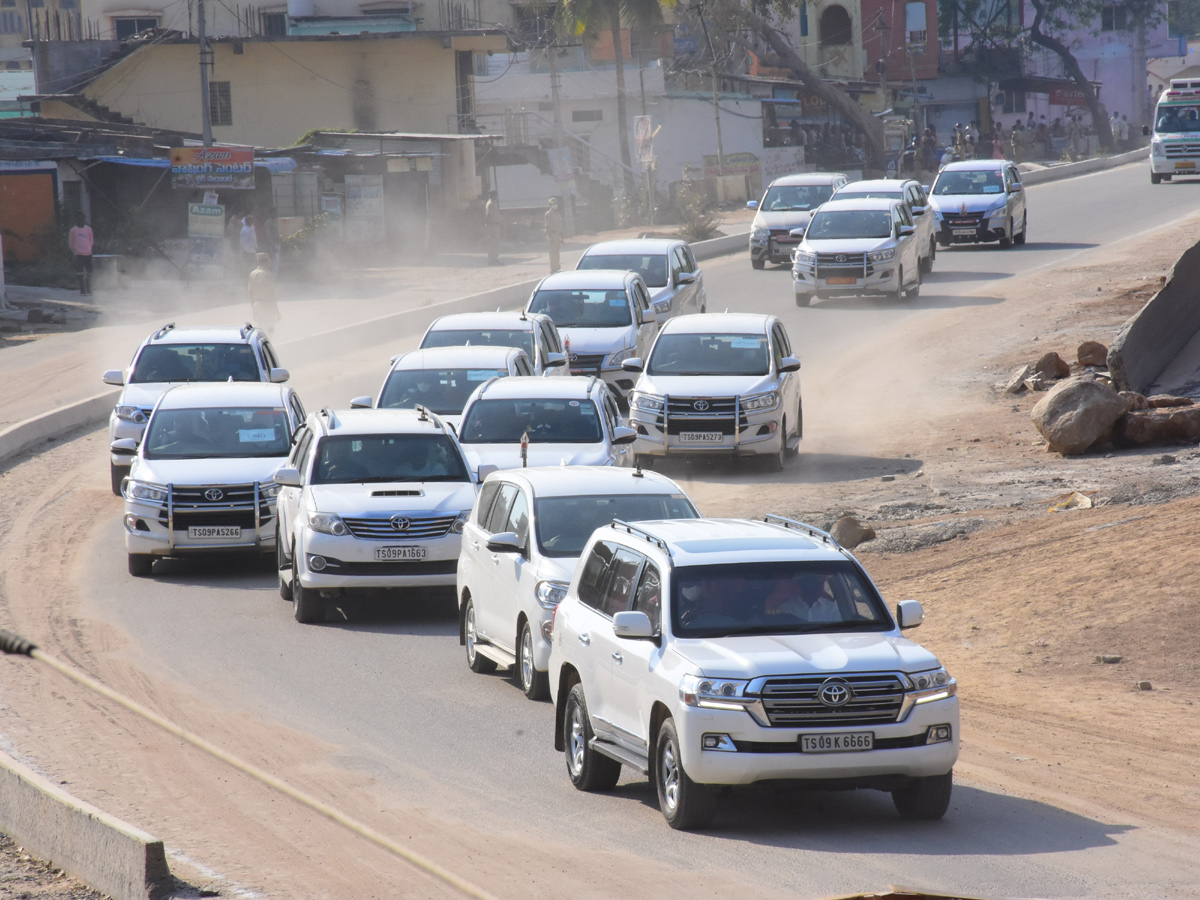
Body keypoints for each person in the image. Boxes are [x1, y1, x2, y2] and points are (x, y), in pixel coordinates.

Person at [247, 252, 279, 335]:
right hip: (267, 305)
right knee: (269, 329)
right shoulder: (266, 274)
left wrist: (253, 308)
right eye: (268, 261)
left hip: (257, 305)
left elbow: (250, 293)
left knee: (260, 330)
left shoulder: (253, 274)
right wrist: (277, 311)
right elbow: (271, 294)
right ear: (266, 262)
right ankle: (268, 347)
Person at [67, 213, 94, 295]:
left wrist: (89, 249)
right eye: (79, 219)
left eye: (82, 219)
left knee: (89, 272)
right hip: (78, 254)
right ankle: (82, 290)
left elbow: (91, 240)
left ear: (84, 219)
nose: (80, 220)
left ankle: (88, 288)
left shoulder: (88, 229)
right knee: (80, 272)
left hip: (88, 253)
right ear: (76, 220)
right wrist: (74, 252)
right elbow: (70, 242)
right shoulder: (73, 230)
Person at [544, 197, 564, 274]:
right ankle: (553, 269)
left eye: (555, 204)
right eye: (553, 204)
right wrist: (550, 236)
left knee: (557, 252)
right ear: (550, 205)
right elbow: (547, 226)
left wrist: (562, 237)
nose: (555, 205)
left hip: (558, 235)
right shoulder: (548, 214)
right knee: (552, 253)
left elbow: (560, 225)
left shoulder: (557, 214)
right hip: (552, 234)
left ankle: (557, 267)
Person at [484, 191, 501, 265]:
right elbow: (489, 215)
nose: (497, 197)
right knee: (493, 243)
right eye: (496, 196)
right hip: (492, 225)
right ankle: (492, 260)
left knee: (496, 243)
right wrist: (487, 224)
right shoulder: (490, 204)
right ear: (493, 196)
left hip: (495, 225)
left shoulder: (493, 203)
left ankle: (495, 259)